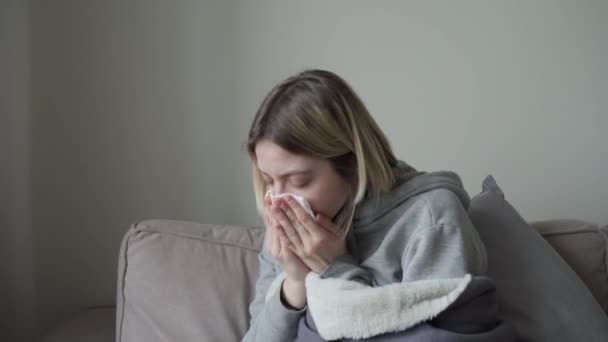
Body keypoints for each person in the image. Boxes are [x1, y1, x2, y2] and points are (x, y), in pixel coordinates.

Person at [241, 69, 487, 342]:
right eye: (268, 181)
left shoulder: (430, 218)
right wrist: (294, 285)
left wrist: (335, 270)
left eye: (298, 181)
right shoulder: (283, 227)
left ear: (354, 166)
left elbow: (436, 337)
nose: (279, 200)